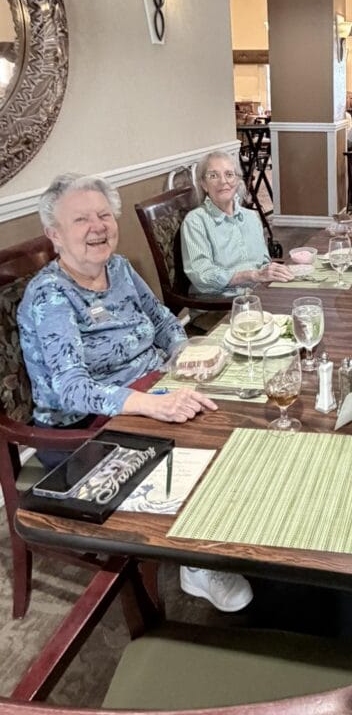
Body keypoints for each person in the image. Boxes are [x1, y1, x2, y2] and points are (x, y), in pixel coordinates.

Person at [17, 173, 253, 613]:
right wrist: (152, 404)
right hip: (85, 428)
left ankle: (231, 530)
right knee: (199, 447)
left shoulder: (120, 268)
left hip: (154, 387)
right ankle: (196, 562)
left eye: (105, 215)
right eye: (82, 219)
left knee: (240, 410)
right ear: (54, 234)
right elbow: (72, 389)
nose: (98, 227)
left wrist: (187, 356)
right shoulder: (50, 296)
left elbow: (163, 320)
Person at [181, 151, 293, 295]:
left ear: (237, 181)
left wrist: (274, 272)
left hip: (259, 294)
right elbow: (202, 275)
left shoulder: (251, 217)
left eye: (229, 174)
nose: (223, 181)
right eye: (213, 176)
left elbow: (264, 262)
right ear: (203, 184)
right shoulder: (195, 221)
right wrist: (250, 275)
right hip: (222, 306)